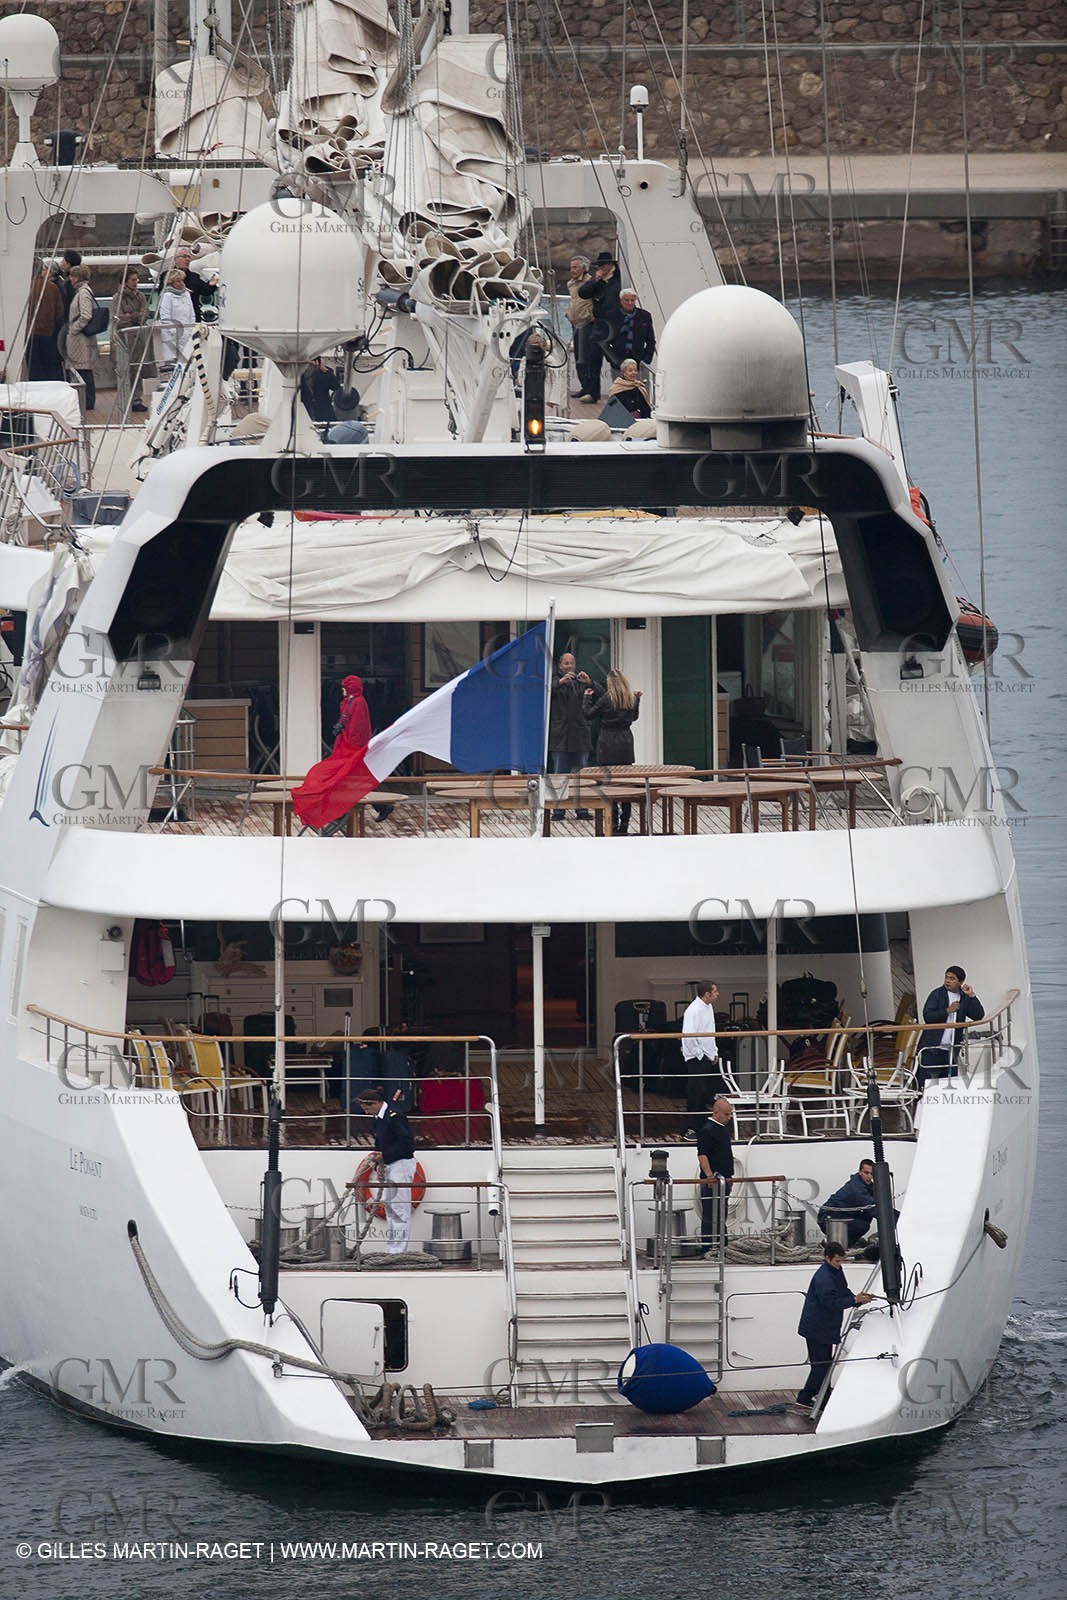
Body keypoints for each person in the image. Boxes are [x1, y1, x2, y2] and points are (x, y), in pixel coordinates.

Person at [795, 1240, 874, 1409]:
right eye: (837, 1261)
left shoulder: (835, 1271)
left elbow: (843, 1291)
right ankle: (810, 1397)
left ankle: (819, 1397)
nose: (840, 1264)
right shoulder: (824, 1278)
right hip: (817, 1328)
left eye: (841, 1261)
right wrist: (854, 1300)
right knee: (822, 1365)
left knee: (823, 1364)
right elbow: (830, 1302)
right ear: (827, 1258)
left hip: (823, 1326)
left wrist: (857, 1299)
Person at [351, 1087, 417, 1254]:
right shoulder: (380, 1117)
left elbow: (407, 1145)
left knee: (399, 1209)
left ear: (375, 1103)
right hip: (390, 1164)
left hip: (401, 1165)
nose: (365, 1112)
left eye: (367, 1108)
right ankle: (392, 1249)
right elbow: (381, 1143)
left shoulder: (396, 1116)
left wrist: (384, 1156)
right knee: (390, 1208)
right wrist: (379, 1165)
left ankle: (398, 1251)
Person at [583, 668, 642, 833]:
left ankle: (613, 824)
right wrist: (638, 700)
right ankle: (625, 824)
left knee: (609, 786)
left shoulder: (606, 699)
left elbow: (588, 714)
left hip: (607, 743)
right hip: (626, 743)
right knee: (626, 785)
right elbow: (634, 717)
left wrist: (587, 697)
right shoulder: (630, 698)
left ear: (610, 684)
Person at [919, 965, 984, 1087]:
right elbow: (928, 1016)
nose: (947, 981)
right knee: (928, 1084)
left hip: (952, 1049)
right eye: (946, 977)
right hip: (932, 1048)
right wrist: (948, 1010)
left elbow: (978, 1015)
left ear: (960, 982)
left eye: (952, 978)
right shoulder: (936, 994)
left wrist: (972, 996)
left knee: (949, 1084)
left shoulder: (964, 998)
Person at [577, 249, 623, 398]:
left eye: (603, 265)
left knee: (616, 360)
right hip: (600, 325)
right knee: (593, 358)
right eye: (599, 266)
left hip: (615, 325)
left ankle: (619, 391)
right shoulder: (598, 281)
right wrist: (595, 280)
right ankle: (592, 392)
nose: (600, 268)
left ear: (610, 265)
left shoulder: (619, 279)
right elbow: (583, 293)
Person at [681, 980, 727, 1114]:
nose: (718, 994)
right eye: (715, 991)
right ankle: (691, 1127)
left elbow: (709, 1032)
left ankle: (701, 1123)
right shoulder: (694, 1010)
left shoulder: (708, 1006)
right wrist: (700, 1054)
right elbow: (688, 1035)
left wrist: (713, 1053)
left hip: (706, 1056)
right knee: (695, 1092)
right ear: (707, 994)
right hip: (697, 1057)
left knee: (704, 1092)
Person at [697, 1097, 734, 1255]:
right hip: (714, 1180)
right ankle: (708, 1245)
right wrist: (709, 1176)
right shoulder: (707, 1130)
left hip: (724, 1180)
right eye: (726, 1114)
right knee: (710, 1212)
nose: (729, 1117)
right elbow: (702, 1155)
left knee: (721, 1212)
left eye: (730, 1114)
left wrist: (729, 1177)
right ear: (716, 1112)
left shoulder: (721, 1130)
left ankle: (721, 1243)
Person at [109, 267, 149, 414]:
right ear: (125, 281)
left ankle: (137, 399)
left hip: (137, 338)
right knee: (124, 370)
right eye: (133, 280)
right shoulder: (116, 298)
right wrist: (134, 316)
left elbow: (145, 315)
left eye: (136, 280)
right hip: (123, 340)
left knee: (137, 369)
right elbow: (118, 318)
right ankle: (125, 399)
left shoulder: (141, 297)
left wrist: (131, 315)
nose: (136, 282)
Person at [818, 1159, 878, 1246]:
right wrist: (899, 1219)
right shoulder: (856, 1188)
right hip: (827, 1217)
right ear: (860, 1172)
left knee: (867, 1216)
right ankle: (831, 1243)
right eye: (866, 1173)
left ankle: (848, 1243)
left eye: (872, 1174)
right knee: (863, 1225)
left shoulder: (868, 1186)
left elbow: (877, 1205)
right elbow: (874, 1208)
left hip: (843, 1214)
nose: (869, 1176)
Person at [65, 265, 100, 411]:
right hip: (81, 338)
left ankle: (87, 401)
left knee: (83, 370)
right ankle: (87, 400)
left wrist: (73, 329)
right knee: (83, 369)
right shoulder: (83, 291)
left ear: (78, 277)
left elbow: (86, 315)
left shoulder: (83, 293)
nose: (70, 279)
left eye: (73, 276)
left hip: (80, 339)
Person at [566, 255, 597, 402]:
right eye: (571, 267)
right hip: (575, 324)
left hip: (587, 323)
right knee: (579, 358)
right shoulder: (571, 284)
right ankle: (584, 388)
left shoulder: (590, 282)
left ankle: (590, 390)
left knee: (587, 358)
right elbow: (574, 301)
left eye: (575, 267)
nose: (572, 270)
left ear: (583, 268)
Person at [26, 263, 65, 382]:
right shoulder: (52, 287)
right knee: (48, 371)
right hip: (48, 335)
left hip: (30, 334)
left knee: (34, 371)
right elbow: (60, 313)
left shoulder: (26, 287)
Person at [159, 247, 216, 320]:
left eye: (189, 257)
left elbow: (205, 291)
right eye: (184, 257)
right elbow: (161, 291)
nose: (187, 259)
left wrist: (211, 284)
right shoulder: (167, 275)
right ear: (176, 259)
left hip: (193, 315)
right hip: (175, 317)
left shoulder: (194, 276)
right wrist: (181, 290)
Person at [606, 288, 655, 369]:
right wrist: (612, 359)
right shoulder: (611, 316)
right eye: (627, 300)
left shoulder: (644, 316)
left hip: (639, 361)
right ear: (621, 301)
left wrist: (647, 359)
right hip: (619, 361)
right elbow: (605, 341)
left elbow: (651, 340)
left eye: (632, 300)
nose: (630, 303)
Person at [156, 270, 196, 368]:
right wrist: (175, 332)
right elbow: (165, 317)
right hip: (172, 337)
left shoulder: (186, 294)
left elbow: (192, 314)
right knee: (173, 364)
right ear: (171, 282)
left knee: (189, 364)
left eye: (182, 280)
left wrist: (190, 330)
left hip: (187, 334)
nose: (181, 283)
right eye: (178, 281)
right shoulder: (167, 296)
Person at [300, 356, 340, 424]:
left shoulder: (324, 372)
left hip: (324, 413)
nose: (308, 366)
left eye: (310, 363)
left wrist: (325, 370)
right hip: (305, 412)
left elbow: (336, 386)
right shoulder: (298, 375)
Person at [51, 249, 81, 318]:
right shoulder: (75, 280)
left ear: (68, 264)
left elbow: (65, 302)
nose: (61, 262)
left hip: (68, 318)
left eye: (63, 260)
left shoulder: (69, 283)